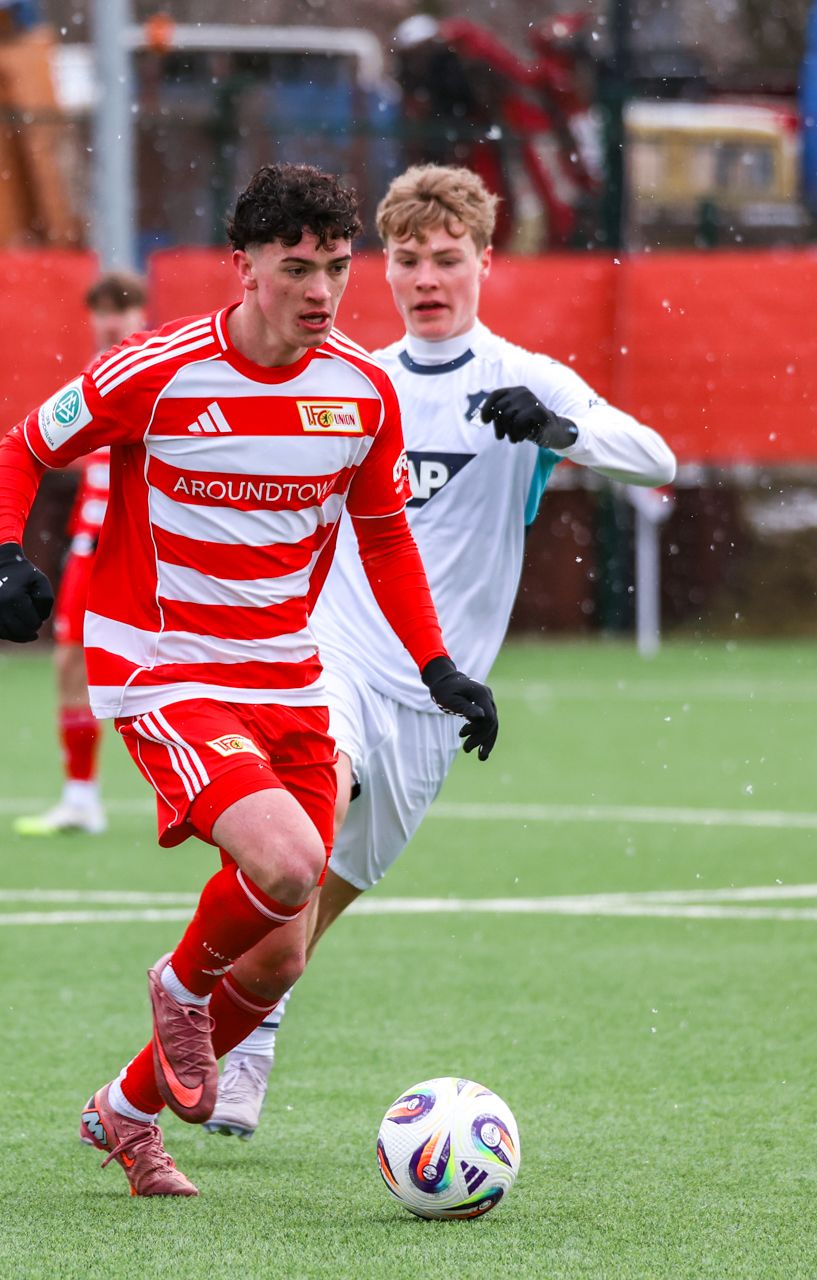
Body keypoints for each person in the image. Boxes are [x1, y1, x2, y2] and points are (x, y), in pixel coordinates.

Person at [0, 164, 499, 1197]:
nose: (321, 291)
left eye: (337, 268)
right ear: (244, 266)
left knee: (278, 959)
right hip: (164, 666)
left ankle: (125, 1113)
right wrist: (2, 557)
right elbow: (22, 448)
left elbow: (385, 537)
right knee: (292, 862)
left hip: (290, 676)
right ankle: (178, 985)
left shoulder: (362, 392)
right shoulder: (157, 370)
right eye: (296, 268)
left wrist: (437, 663)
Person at [202, 164, 678, 1141]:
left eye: (448, 258)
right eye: (408, 258)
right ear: (384, 266)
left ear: (485, 262)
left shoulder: (526, 378)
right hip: (333, 658)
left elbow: (658, 460)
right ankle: (211, 1051)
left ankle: (239, 1019)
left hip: (439, 696)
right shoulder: (357, 379)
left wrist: (560, 431)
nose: (427, 277)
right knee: (301, 845)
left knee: (309, 920)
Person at [15, 271, 151, 838]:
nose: (110, 320)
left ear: (142, 314)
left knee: (165, 670)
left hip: (140, 550)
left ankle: (210, 785)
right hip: (87, 546)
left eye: (121, 308)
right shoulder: (95, 377)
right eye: (101, 310)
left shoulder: (155, 372)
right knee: (70, 662)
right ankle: (80, 797)